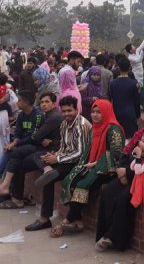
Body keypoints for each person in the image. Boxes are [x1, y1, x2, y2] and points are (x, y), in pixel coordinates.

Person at [51, 99, 125, 238]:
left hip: (108, 168)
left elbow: (116, 153)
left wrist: (96, 163)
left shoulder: (113, 129)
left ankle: (67, 221)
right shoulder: (95, 128)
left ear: (106, 112)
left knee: (81, 185)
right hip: (92, 164)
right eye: (93, 112)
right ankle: (77, 220)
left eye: (99, 112)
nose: (95, 115)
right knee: (70, 180)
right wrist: (82, 164)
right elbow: (88, 149)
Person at [25, 95, 91, 232]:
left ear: (76, 110)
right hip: (67, 159)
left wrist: (58, 159)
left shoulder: (82, 125)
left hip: (81, 163)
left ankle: (47, 218)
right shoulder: (64, 124)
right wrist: (55, 155)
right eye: (64, 111)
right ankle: (48, 217)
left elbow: (80, 153)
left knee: (52, 177)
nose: (66, 114)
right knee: (40, 157)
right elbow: (64, 147)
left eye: (69, 111)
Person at [0, 92, 61, 200]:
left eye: (47, 102)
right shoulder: (26, 115)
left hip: (46, 150)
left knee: (15, 153)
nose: (44, 104)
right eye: (42, 102)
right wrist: (15, 142)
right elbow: (19, 133)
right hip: (37, 147)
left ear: (53, 104)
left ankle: (1, 184)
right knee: (16, 162)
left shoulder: (49, 116)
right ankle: (13, 196)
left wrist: (18, 143)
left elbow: (36, 136)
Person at [110, 57, 141, 138]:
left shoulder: (112, 83)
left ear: (119, 67)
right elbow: (137, 101)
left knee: (117, 137)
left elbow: (111, 99)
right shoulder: (134, 84)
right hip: (130, 114)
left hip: (116, 113)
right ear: (129, 67)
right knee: (131, 138)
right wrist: (137, 114)